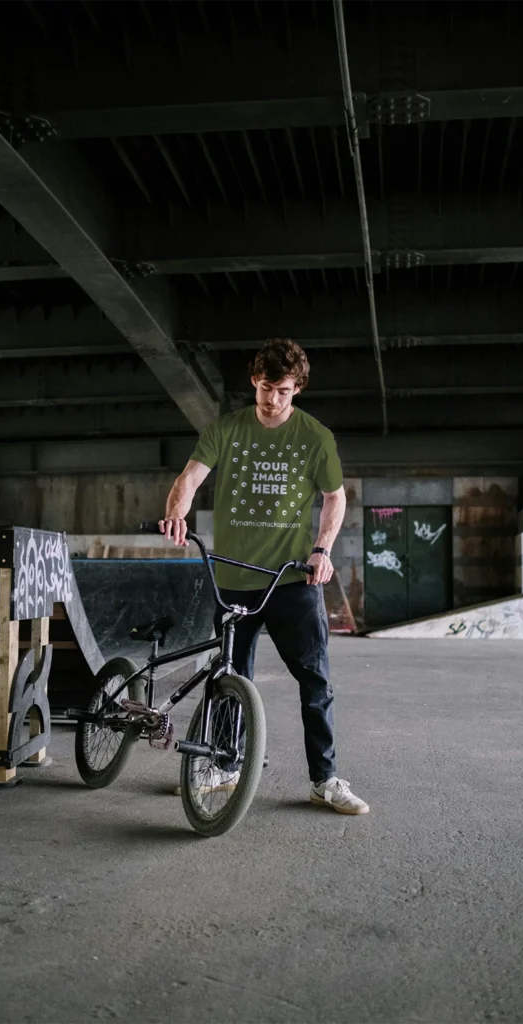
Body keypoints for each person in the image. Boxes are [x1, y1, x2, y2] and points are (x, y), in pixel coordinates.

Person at [159, 338, 368, 816]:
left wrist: (322, 550)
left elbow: (335, 499)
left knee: (315, 681)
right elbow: (189, 478)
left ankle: (324, 779)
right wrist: (176, 512)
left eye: (283, 390)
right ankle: (226, 766)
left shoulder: (315, 437)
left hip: (292, 581)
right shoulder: (226, 430)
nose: (273, 399)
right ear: (255, 382)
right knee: (231, 677)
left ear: (297, 390)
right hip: (232, 578)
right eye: (266, 387)